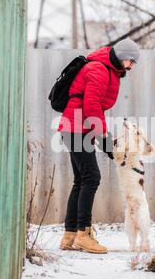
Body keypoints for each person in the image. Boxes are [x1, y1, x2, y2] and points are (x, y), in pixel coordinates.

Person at [57, 38, 140, 254]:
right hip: (77, 127)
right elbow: (91, 105)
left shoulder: (107, 69)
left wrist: (104, 139)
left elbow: (93, 107)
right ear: (123, 58)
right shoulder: (99, 69)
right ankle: (84, 234)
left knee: (81, 180)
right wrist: (102, 134)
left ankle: (70, 235)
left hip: (77, 126)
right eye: (132, 61)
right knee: (92, 178)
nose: (132, 66)